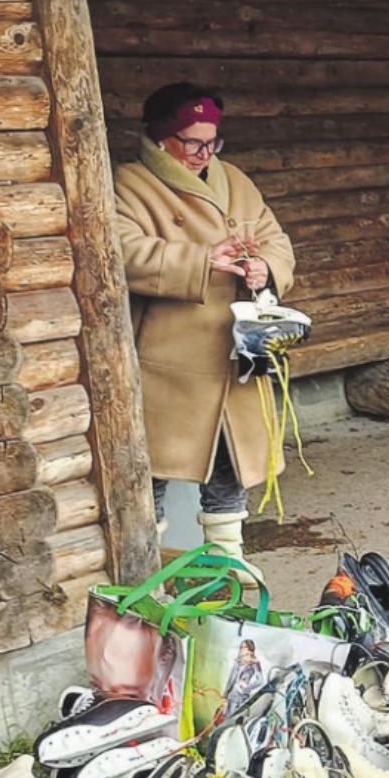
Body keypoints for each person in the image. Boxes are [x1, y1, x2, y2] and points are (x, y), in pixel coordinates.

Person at [115, 82, 296, 565]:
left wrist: (266, 269)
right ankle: (145, 567)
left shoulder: (234, 180)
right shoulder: (129, 184)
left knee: (229, 461)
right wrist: (201, 260)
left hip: (235, 350)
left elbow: (275, 238)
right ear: (159, 139)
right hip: (169, 357)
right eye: (191, 142)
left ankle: (229, 564)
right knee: (152, 464)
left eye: (211, 142)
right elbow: (123, 253)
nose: (203, 153)